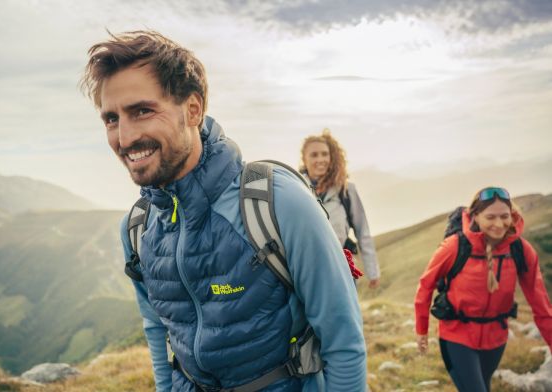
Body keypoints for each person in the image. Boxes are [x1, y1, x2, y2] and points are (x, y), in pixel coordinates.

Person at [81, 30, 367, 391]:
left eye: (142, 111)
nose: (124, 138)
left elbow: (344, 343)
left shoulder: (278, 203)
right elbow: (157, 327)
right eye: (111, 119)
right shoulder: (138, 228)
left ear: (193, 109)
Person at [414, 186, 552, 392]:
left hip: (496, 339)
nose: (499, 224)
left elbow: (541, 305)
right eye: (490, 217)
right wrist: (422, 330)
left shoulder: (520, 250)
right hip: (456, 337)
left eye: (505, 216)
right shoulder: (454, 247)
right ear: (475, 217)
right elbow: (425, 286)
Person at [299, 130, 380, 289]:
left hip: (342, 268)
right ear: (304, 159)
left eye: (325, 154)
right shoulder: (296, 189)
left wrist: (373, 271)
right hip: (307, 269)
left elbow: (362, 231)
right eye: (314, 155)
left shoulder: (346, 190)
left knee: (343, 314)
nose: (320, 159)